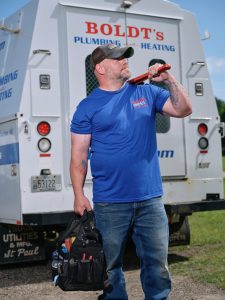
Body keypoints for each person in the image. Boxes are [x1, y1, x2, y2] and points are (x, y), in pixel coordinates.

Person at [70, 44, 192, 300]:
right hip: (109, 202)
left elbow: (183, 110)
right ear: (100, 68)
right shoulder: (87, 106)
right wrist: (79, 195)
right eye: (117, 58)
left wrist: (168, 80)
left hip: (150, 199)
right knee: (110, 268)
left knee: (157, 266)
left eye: (125, 57)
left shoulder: (147, 92)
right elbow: (79, 155)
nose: (124, 61)